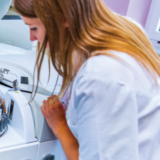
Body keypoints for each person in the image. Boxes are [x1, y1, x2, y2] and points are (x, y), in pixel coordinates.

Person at [13, 0, 160, 159]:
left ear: (64, 18)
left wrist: (60, 126)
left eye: (34, 28)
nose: (31, 37)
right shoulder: (127, 28)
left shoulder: (99, 75)